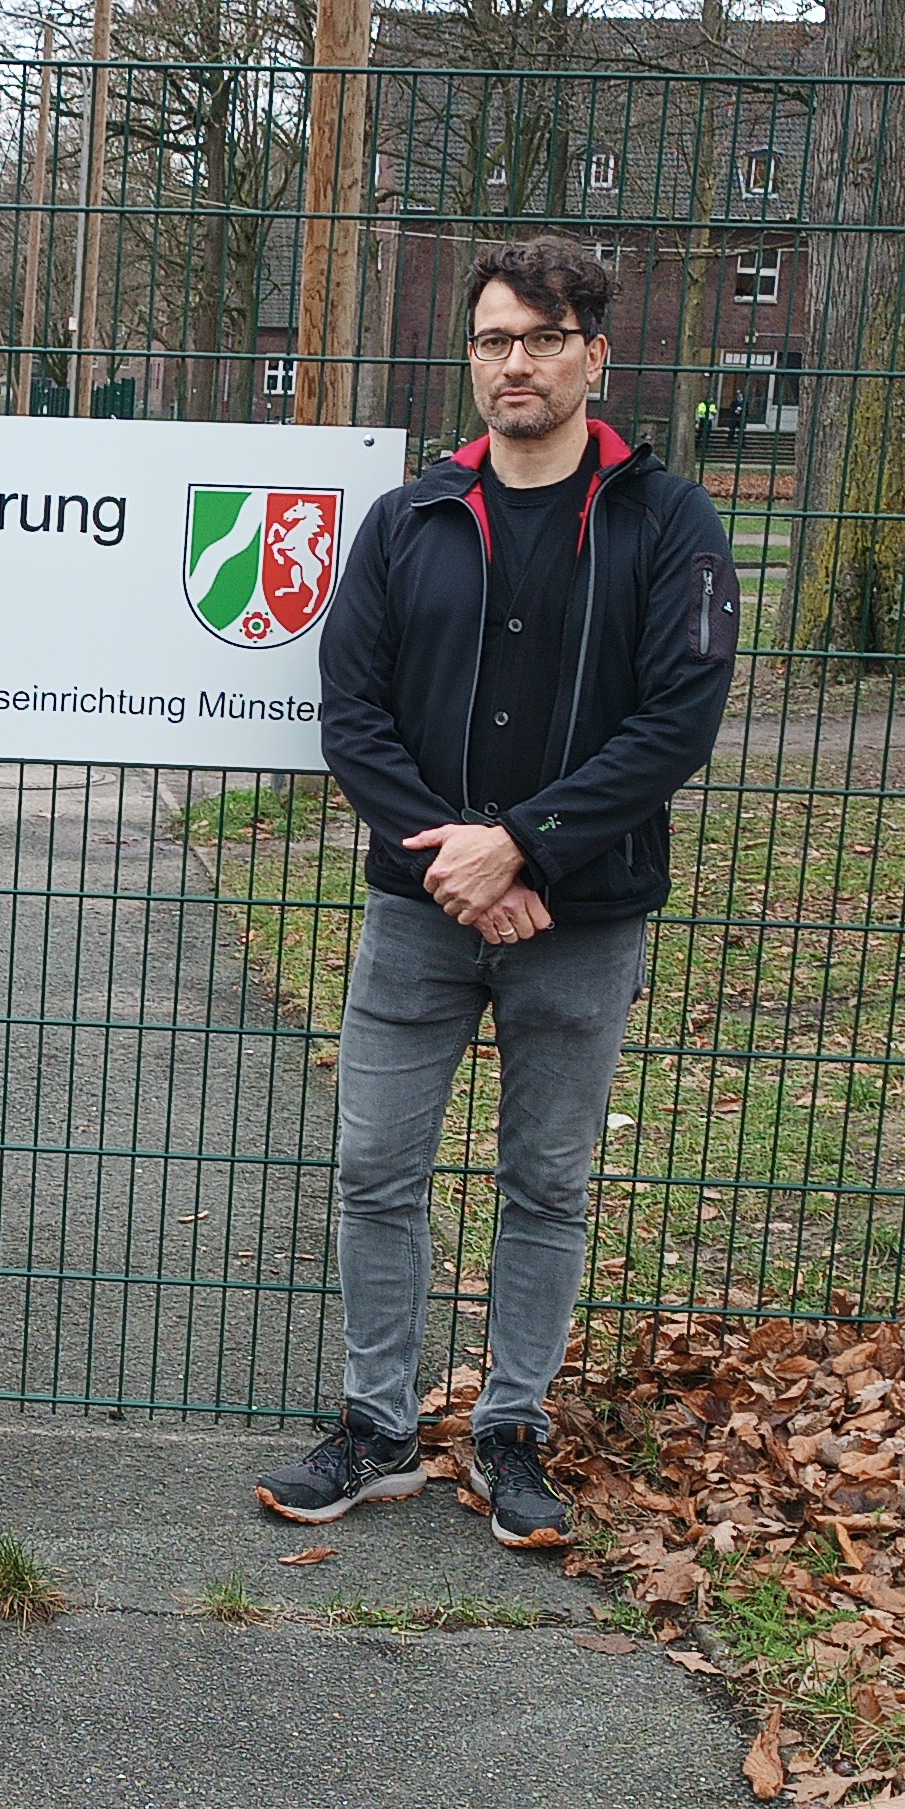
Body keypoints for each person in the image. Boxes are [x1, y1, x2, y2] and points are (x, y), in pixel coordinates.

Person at [258, 236, 740, 1549]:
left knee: (546, 1183)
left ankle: (512, 1431)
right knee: (374, 1167)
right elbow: (351, 716)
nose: (514, 363)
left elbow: (676, 722)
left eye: (541, 337)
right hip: (422, 916)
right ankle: (377, 1426)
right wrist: (460, 860)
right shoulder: (411, 518)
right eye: (492, 340)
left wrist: (525, 844)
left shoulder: (667, 523)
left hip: (581, 923)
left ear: (595, 350)